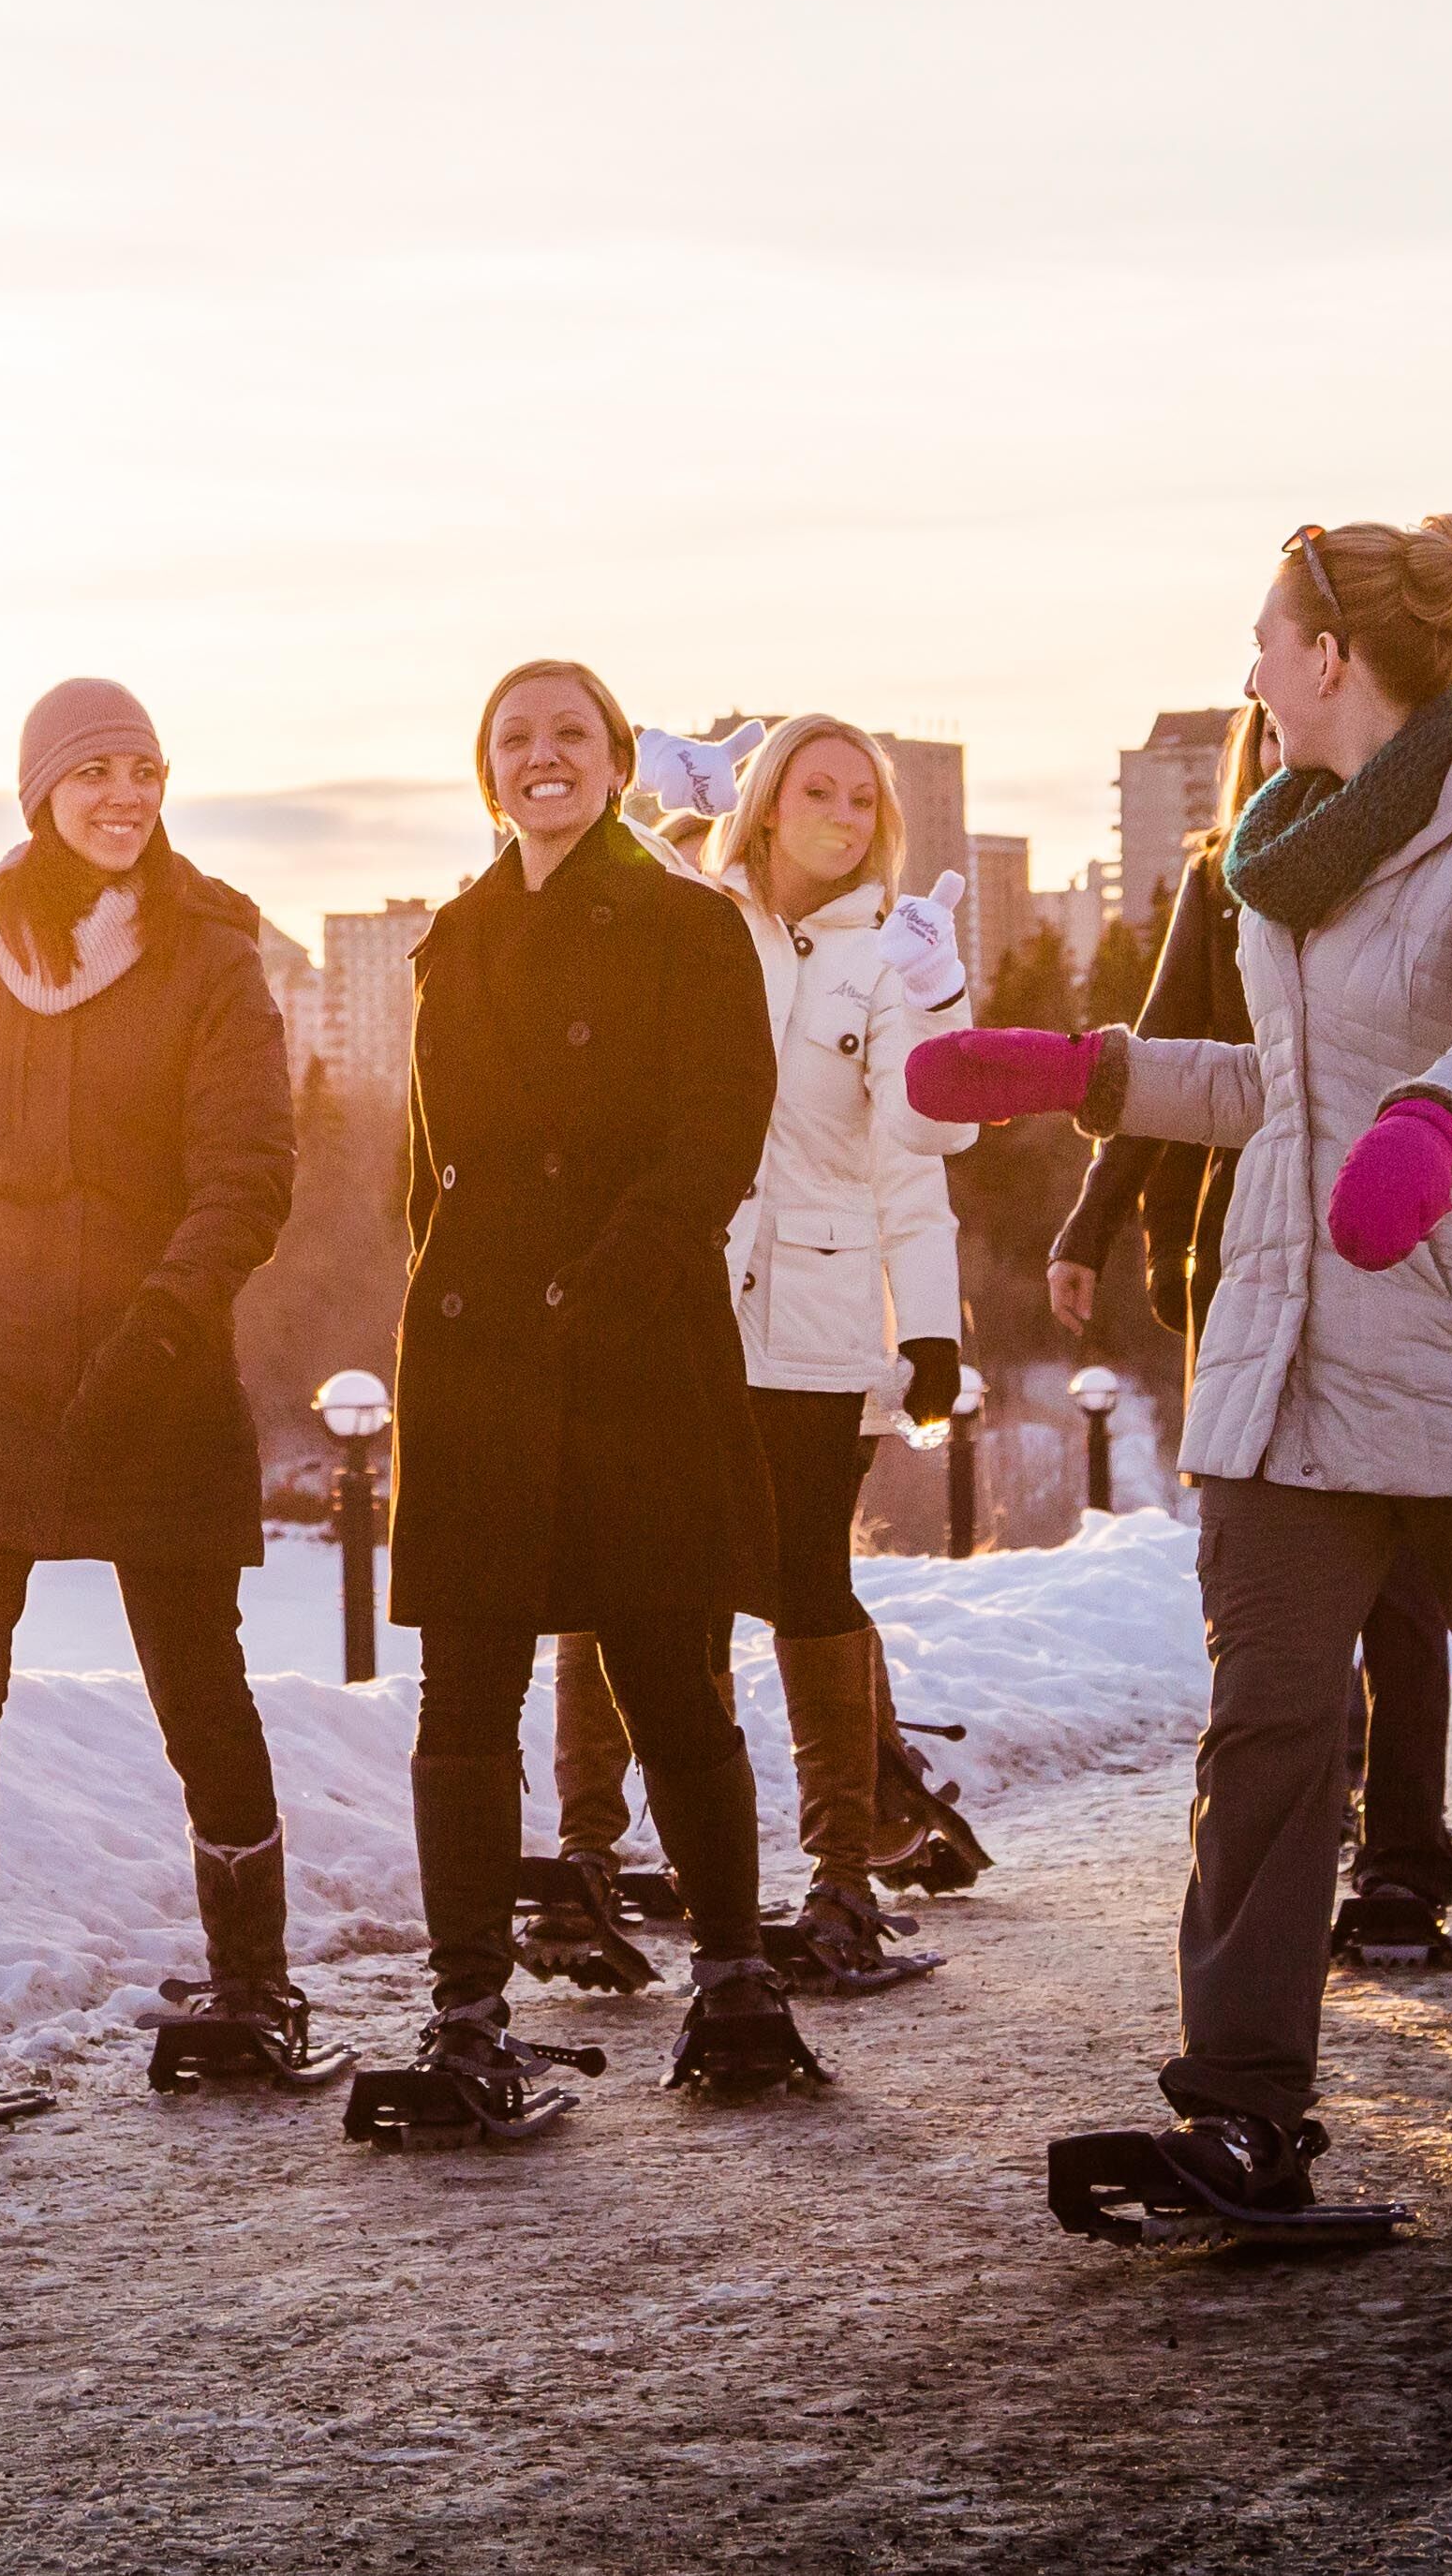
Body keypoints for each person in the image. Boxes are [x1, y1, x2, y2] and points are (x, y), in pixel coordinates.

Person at [916, 516, 1452, 2228]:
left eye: (1267, 643)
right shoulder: (1274, 848)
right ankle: (1243, 2113)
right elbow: (1285, 1083)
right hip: (1288, 1349)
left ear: (1333, 656)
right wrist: (1090, 1069)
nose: (1253, 675)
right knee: (1269, 1729)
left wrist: (1438, 1118)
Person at [0, 678, 319, 2128]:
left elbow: (246, 1178)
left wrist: (156, 1335)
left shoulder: (211, 954)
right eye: (91, 771)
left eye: (144, 769)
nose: (122, 795)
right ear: (39, 793)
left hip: (151, 1366)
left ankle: (251, 1987)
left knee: (194, 1683)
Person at [362, 657, 823, 2141]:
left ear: (619, 761)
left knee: (662, 1663)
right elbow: (420, 1167)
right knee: (464, 1682)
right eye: (514, 739)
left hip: (631, 1346)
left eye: (569, 735)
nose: (541, 757)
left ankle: (738, 1981)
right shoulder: (450, 942)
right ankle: (464, 2013)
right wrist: (447, 1298)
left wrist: (611, 1279)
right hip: (476, 1352)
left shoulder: (689, 925)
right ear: (484, 773)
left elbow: (717, 1133)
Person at [1045, 703, 1452, 1973]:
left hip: (1396, 1246)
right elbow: (1164, 1063)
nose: (1278, 758)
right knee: (1272, 1607)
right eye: (1257, 745)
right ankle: (1301, 1847)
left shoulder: (1416, 873)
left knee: (1402, 1586)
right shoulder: (1223, 882)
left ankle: (1404, 1859)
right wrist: (1084, 1230)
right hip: (1246, 1267)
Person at [523, 714, 975, 1995]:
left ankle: (839, 1879)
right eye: (812, 790)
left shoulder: (890, 954)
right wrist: (633, 790)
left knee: (800, 1578)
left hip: (817, 1321)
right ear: (766, 803)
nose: (838, 813)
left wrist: (928, 1319)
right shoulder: (688, 909)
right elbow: (559, 883)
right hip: (674, 1295)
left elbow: (920, 1141)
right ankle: (590, 1861)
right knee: (628, 1577)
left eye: (858, 796)